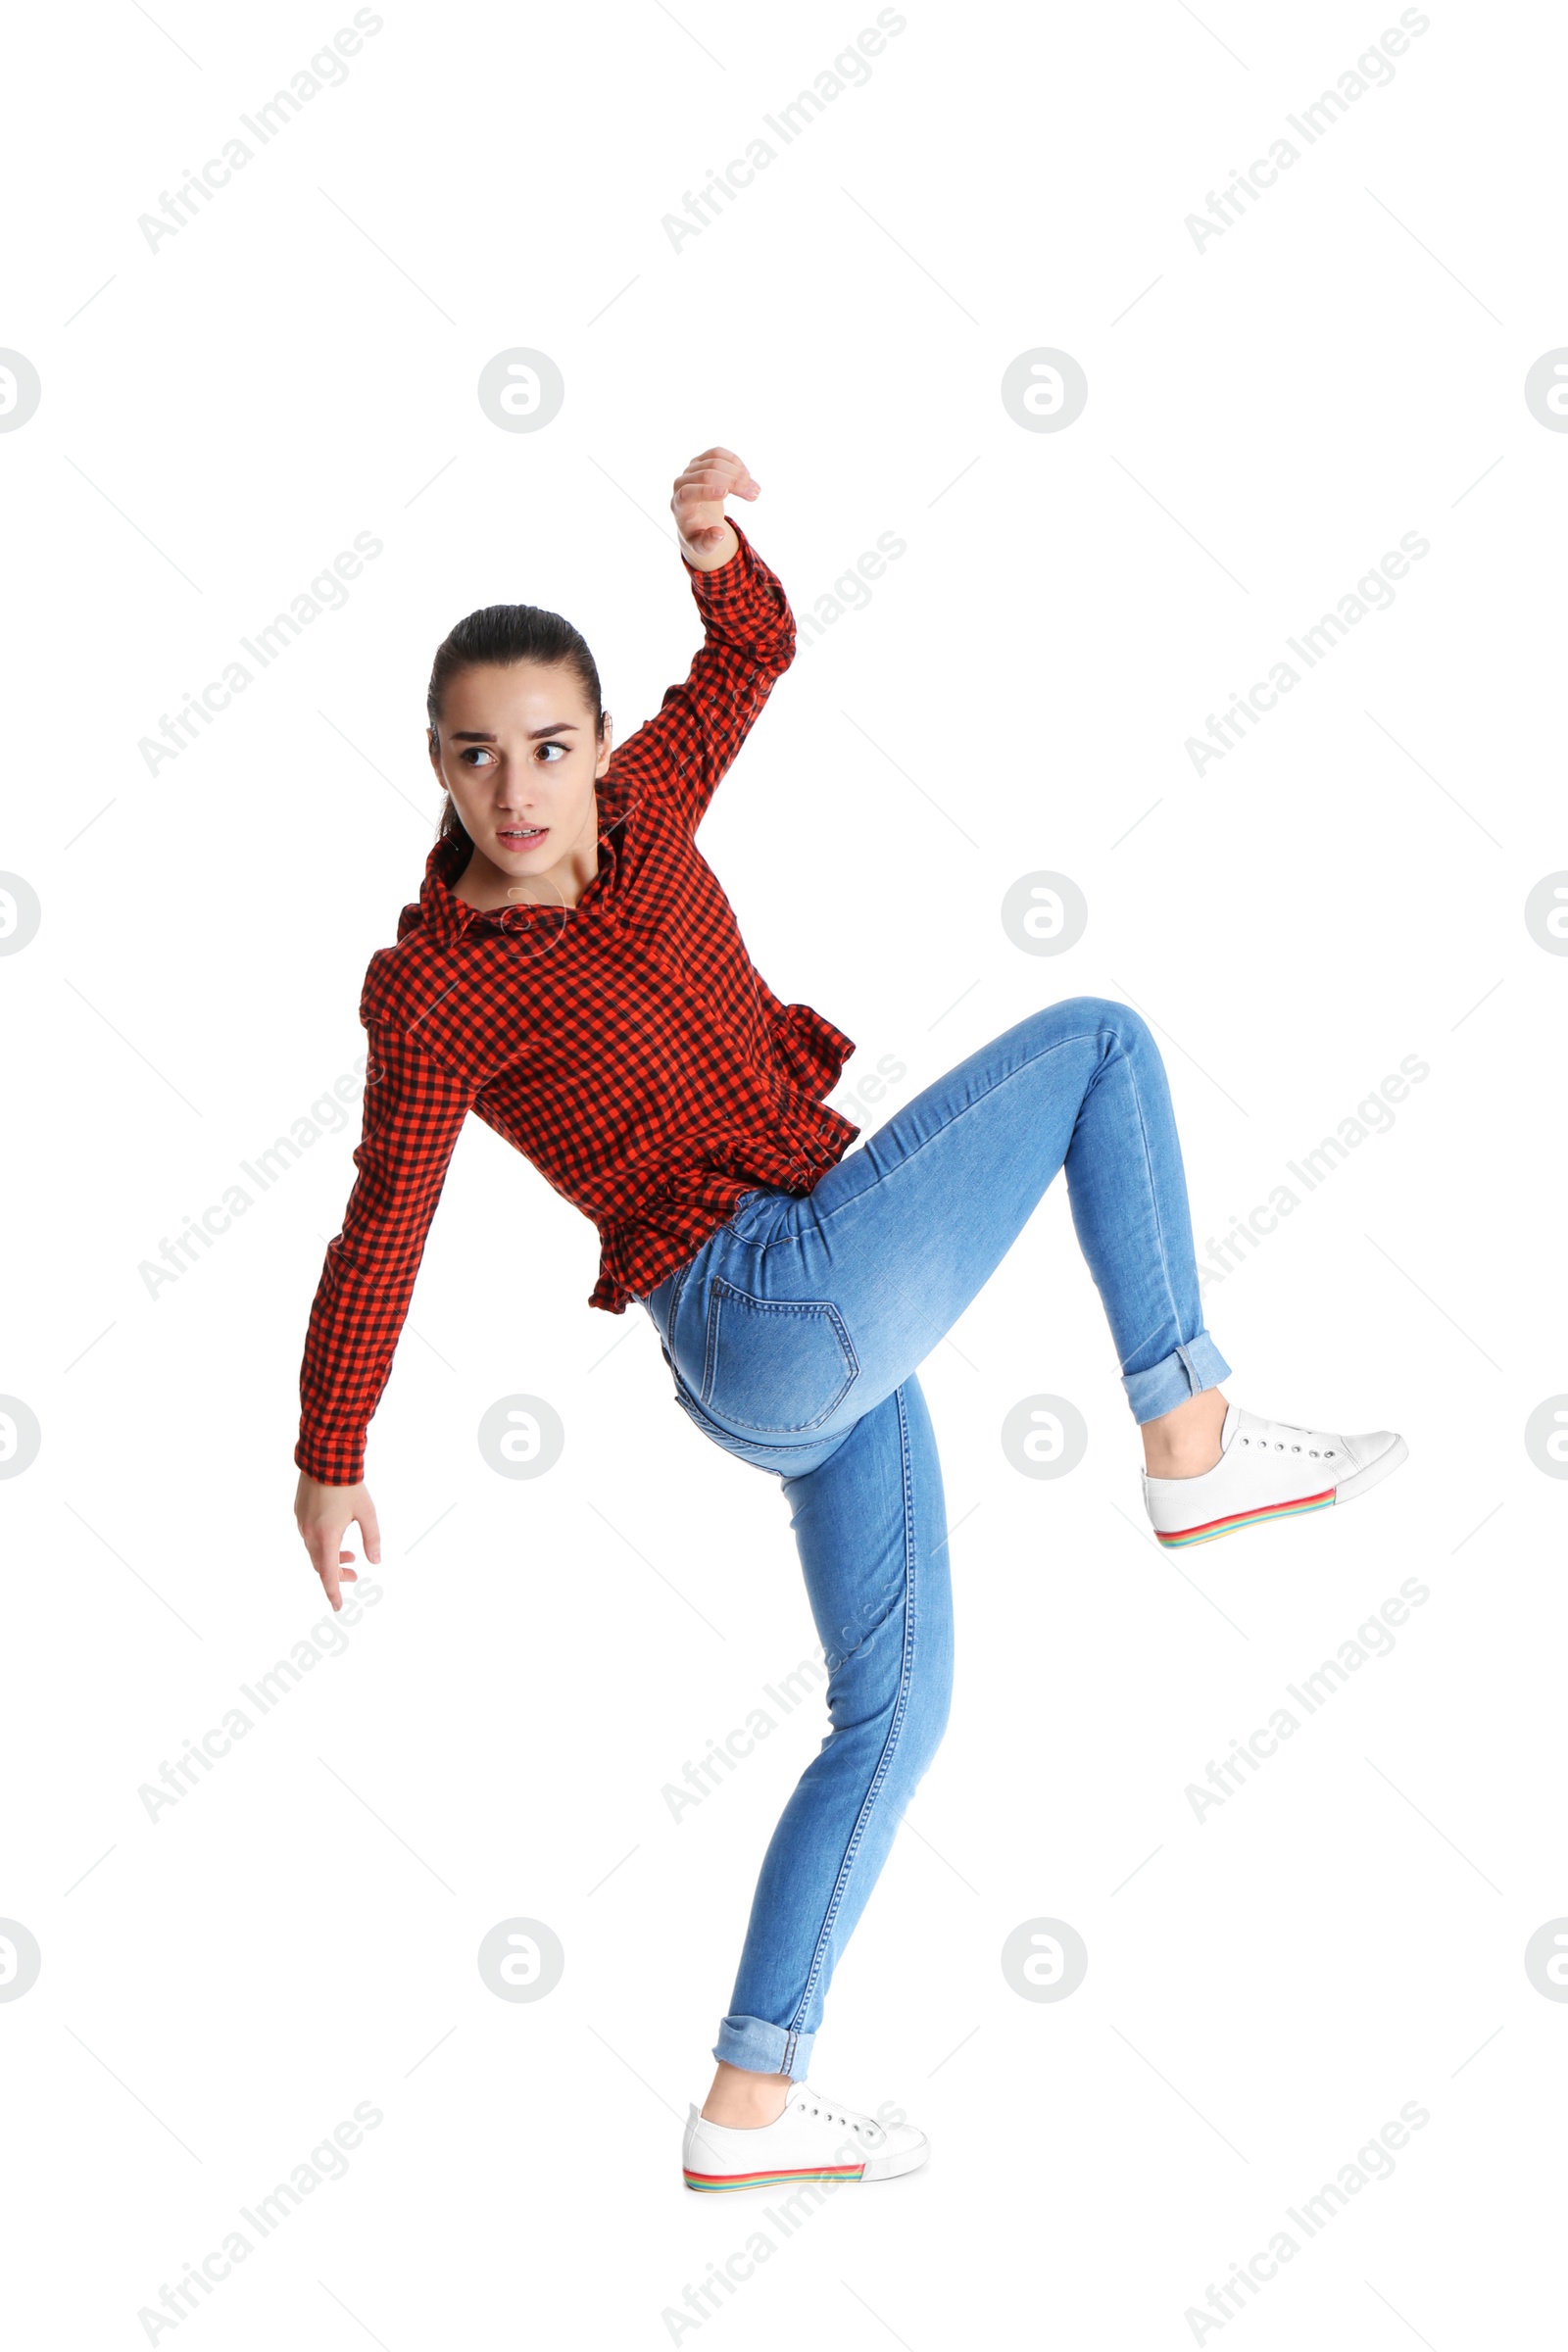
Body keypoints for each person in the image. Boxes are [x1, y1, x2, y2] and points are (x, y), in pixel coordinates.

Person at [292, 446, 1408, 2193]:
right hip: (756, 1300)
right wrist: (330, 1456)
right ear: (432, 764)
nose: (517, 790)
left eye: (548, 744)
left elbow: (748, 664)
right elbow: (386, 1222)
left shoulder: (649, 804)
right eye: (473, 754)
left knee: (894, 1710)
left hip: (801, 1324)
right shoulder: (431, 987)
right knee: (1098, 1039)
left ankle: (747, 2105)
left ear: (596, 743)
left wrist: (711, 554)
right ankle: (1187, 1436)